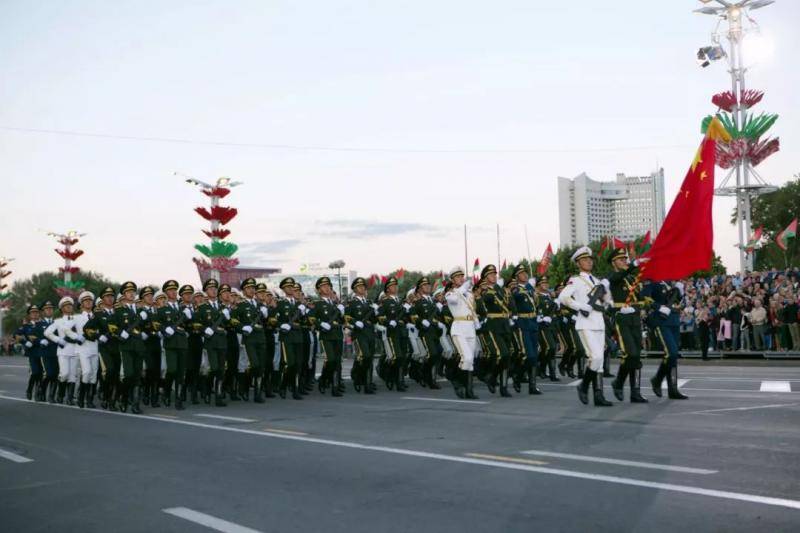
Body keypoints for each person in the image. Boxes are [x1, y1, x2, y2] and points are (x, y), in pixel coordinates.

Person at [557, 246, 613, 407]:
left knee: (600, 360)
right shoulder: (575, 280)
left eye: (590, 259)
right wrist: (581, 306)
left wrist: (608, 301)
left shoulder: (597, 281)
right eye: (584, 259)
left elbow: (607, 300)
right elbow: (563, 297)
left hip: (599, 323)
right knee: (595, 357)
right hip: (585, 324)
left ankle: (599, 395)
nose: (589, 261)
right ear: (578, 263)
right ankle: (584, 385)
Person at [606, 248, 648, 403]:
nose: (624, 261)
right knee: (630, 353)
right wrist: (634, 264)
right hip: (622, 320)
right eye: (620, 259)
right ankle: (618, 382)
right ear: (613, 263)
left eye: (625, 259)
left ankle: (634, 392)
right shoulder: (612, 277)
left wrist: (640, 308)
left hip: (635, 319)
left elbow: (640, 298)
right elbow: (617, 278)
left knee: (636, 356)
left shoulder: (631, 279)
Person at [647, 282, 689, 400]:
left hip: (674, 321)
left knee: (673, 357)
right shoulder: (654, 282)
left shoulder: (674, 283)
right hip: (662, 321)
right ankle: (657, 379)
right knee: (672, 353)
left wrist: (681, 292)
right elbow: (644, 298)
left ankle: (673, 389)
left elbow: (680, 302)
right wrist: (658, 307)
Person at [444, 267, 479, 399]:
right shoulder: (450, 293)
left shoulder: (469, 294)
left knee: (470, 362)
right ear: (452, 280)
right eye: (457, 277)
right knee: (467, 358)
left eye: (462, 276)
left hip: (470, 327)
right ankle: (455, 379)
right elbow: (454, 301)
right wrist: (462, 289)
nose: (461, 279)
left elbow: (471, 309)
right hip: (458, 328)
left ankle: (469, 390)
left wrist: (476, 321)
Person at [480, 264, 514, 397]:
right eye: (491, 274)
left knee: (507, 357)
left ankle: (503, 387)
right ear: (485, 277)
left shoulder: (500, 289)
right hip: (493, 325)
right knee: (502, 354)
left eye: (495, 274)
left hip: (505, 324)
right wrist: (492, 290)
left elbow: (510, 305)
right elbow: (486, 299)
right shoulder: (484, 290)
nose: (494, 276)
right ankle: (491, 376)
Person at [114, 281, 148, 413]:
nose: (132, 294)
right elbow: (112, 325)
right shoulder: (119, 310)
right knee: (128, 375)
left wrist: (146, 322)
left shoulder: (141, 311)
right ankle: (122, 398)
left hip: (139, 347)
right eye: (129, 292)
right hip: (126, 347)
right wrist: (118, 332)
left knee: (137, 376)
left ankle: (135, 404)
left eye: (133, 292)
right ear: (124, 294)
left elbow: (149, 326)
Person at [196, 278, 229, 407]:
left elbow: (228, 325)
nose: (214, 291)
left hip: (222, 341)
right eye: (210, 289)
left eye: (215, 289)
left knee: (221, 370)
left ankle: (218, 395)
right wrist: (205, 329)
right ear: (206, 291)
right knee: (214, 369)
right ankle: (208, 390)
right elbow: (196, 323)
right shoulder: (202, 308)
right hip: (210, 342)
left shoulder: (223, 307)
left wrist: (228, 317)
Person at [44, 296, 83, 405]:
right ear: (61, 308)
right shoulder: (58, 321)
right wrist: (58, 340)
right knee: (64, 373)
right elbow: (47, 333)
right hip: (64, 351)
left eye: (70, 305)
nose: (69, 307)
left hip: (75, 350)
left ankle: (69, 398)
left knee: (72, 375)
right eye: (66, 306)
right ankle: (58, 395)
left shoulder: (78, 319)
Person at [156, 280, 188, 410]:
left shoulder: (183, 309)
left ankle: (179, 399)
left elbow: (189, 325)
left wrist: (190, 318)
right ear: (166, 293)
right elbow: (158, 325)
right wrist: (164, 330)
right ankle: (167, 392)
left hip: (183, 343)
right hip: (170, 344)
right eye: (170, 290)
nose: (174, 292)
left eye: (175, 290)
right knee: (172, 370)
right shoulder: (162, 309)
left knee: (181, 372)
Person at [511, 264, 541, 395]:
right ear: (517, 276)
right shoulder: (516, 289)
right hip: (523, 324)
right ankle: (517, 376)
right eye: (522, 274)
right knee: (529, 355)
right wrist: (526, 290)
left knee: (535, 356)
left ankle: (532, 386)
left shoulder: (529, 288)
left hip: (533, 323)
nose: (525, 275)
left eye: (526, 273)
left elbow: (536, 304)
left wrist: (532, 290)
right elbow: (515, 297)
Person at [312, 276, 345, 397]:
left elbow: (342, 320)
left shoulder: (336, 304)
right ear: (319, 290)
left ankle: (335, 386)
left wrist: (342, 312)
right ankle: (323, 378)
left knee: (337, 362)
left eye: (328, 286)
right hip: (326, 336)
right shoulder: (317, 304)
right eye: (323, 286)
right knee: (330, 360)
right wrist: (321, 324)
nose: (327, 288)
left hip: (337, 335)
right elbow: (311, 318)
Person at [345, 277, 378, 394]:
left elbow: (374, 320)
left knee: (370, 358)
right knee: (366, 356)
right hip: (359, 334)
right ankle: (357, 375)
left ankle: (367, 382)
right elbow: (346, 318)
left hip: (370, 333)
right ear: (354, 289)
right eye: (359, 287)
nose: (362, 288)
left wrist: (376, 313)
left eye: (364, 286)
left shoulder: (369, 303)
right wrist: (355, 322)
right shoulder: (351, 303)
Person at [274, 277, 305, 400]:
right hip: (286, 337)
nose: (291, 289)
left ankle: (295, 388)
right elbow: (273, 320)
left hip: (298, 336)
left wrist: (304, 312)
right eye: (288, 287)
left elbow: (305, 322)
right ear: (283, 289)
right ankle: (283, 385)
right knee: (289, 364)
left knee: (297, 364)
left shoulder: (299, 305)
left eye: (292, 287)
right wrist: (281, 325)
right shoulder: (280, 304)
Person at [377, 276, 409, 391]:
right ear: (387, 289)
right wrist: (388, 321)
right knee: (397, 357)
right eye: (392, 286)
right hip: (392, 333)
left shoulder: (400, 302)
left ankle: (399, 379)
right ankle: (390, 375)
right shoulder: (385, 302)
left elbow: (406, 317)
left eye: (396, 285)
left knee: (403, 357)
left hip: (402, 332)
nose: (395, 287)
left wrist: (403, 319)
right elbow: (380, 317)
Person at [412, 277, 443, 390]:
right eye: (425, 286)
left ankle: (424, 371)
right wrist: (421, 321)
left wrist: (439, 321)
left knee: (439, 352)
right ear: (420, 289)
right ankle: (429, 379)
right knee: (433, 354)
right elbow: (413, 316)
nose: (427, 287)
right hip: (425, 333)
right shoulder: (418, 302)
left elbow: (438, 316)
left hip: (435, 332)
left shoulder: (434, 302)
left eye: (428, 285)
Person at [74, 291, 100, 408]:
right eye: (85, 301)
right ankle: (81, 397)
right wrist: (77, 337)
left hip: (95, 347)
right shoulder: (77, 317)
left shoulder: (97, 316)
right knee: (87, 372)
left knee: (94, 374)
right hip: (83, 349)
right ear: (81, 304)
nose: (88, 302)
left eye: (90, 300)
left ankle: (89, 400)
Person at [535, 277, 560, 382]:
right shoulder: (537, 296)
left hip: (552, 325)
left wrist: (556, 303)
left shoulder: (549, 296)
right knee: (550, 347)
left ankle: (544, 369)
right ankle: (544, 370)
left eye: (546, 282)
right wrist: (540, 317)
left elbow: (554, 310)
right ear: (538, 285)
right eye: (542, 283)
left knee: (551, 349)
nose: (545, 284)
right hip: (543, 325)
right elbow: (535, 308)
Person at [15, 305, 43, 400]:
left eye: (36, 312)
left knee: (42, 373)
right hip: (32, 353)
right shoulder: (25, 326)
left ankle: (39, 391)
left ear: (39, 314)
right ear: (29, 315)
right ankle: (30, 389)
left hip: (43, 352)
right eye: (33, 312)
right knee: (35, 372)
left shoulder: (42, 324)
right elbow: (16, 335)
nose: (35, 314)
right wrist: (24, 342)